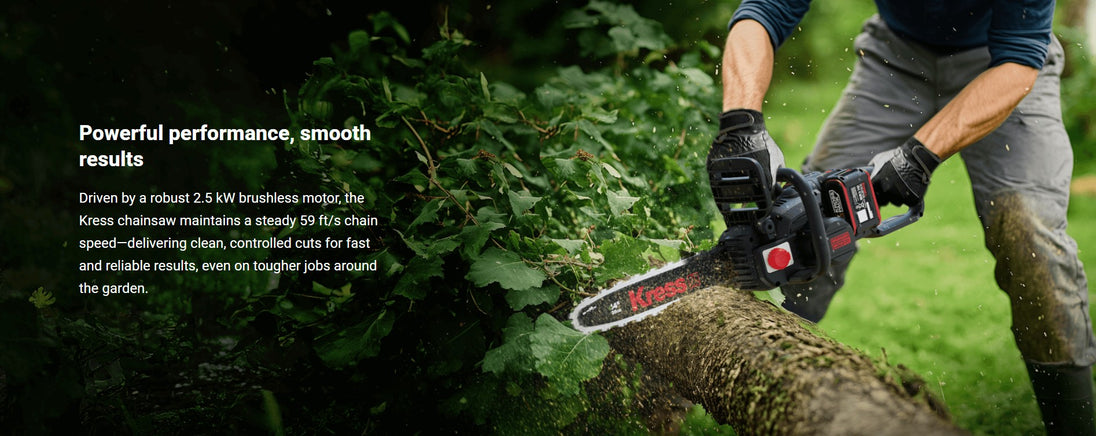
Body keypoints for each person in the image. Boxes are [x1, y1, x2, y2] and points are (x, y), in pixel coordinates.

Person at [708, 1, 1096, 434]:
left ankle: (1074, 425)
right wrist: (741, 124)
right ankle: (763, 370)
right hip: (895, 58)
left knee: (1030, 235)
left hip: (1005, 62)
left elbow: (1020, 56)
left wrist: (919, 155)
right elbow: (766, 8)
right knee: (804, 221)